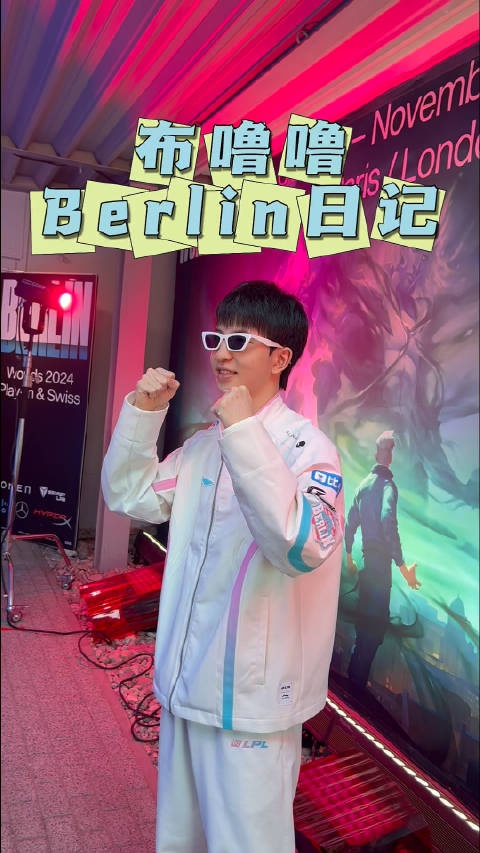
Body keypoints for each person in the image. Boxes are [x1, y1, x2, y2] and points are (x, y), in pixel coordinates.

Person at [101, 280, 344, 853]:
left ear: (280, 359)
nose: (221, 354)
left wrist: (242, 433)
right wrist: (142, 414)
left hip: (251, 701)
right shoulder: (203, 445)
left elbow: (300, 547)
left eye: (239, 341)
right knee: (179, 839)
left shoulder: (310, 450)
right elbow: (130, 495)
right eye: (216, 339)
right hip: (186, 682)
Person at [344, 430, 421, 691]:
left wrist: (349, 557)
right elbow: (388, 521)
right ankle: (356, 687)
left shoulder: (363, 485)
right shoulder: (388, 487)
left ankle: (354, 681)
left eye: (390, 449)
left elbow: (350, 524)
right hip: (379, 568)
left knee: (366, 626)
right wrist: (403, 567)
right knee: (374, 628)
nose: (388, 454)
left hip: (367, 565)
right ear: (383, 455)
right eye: (387, 449)